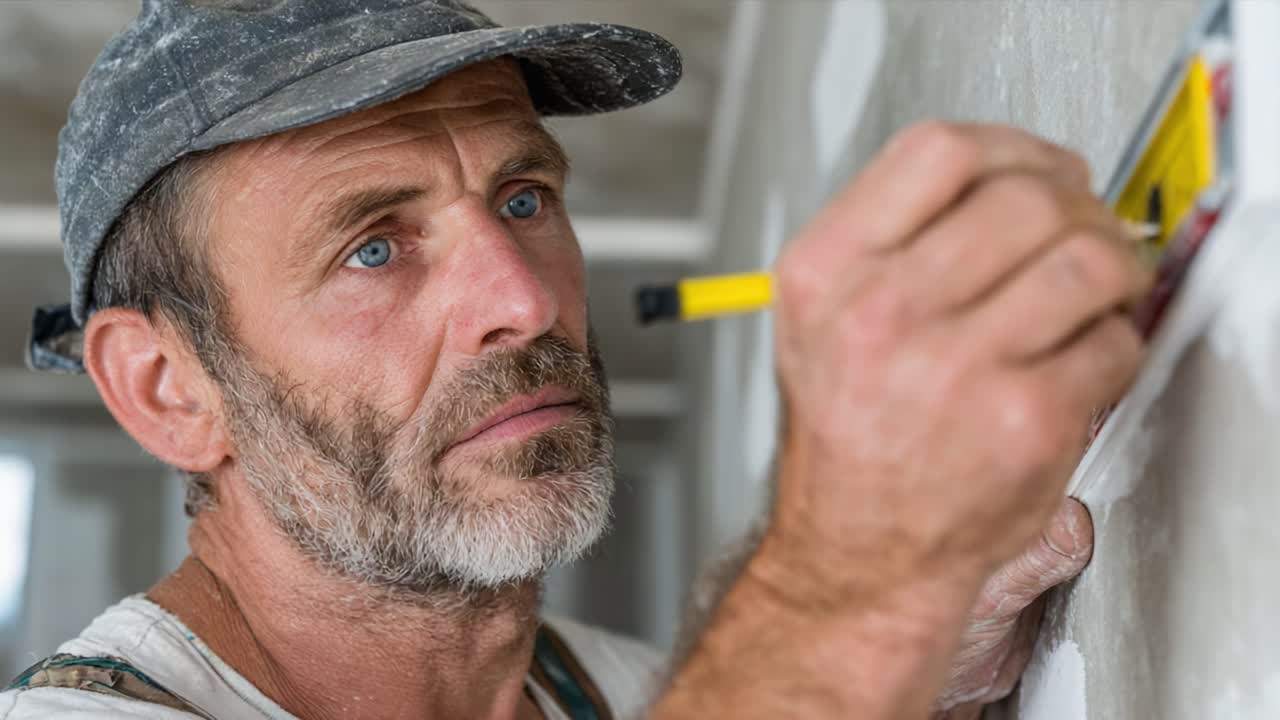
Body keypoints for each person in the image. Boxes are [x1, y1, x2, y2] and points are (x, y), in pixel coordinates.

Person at [0, 2, 1147, 719]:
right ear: (167, 389)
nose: (524, 298)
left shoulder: (624, 691)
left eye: (523, 198)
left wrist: (912, 659)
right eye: (372, 249)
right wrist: (832, 589)